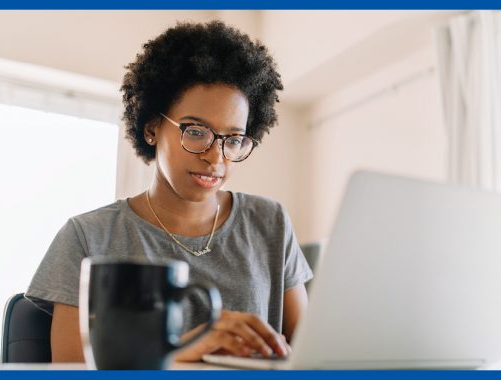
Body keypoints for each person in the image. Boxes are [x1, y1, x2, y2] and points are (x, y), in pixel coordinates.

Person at [25, 20, 313, 363]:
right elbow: (70, 371)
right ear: (151, 128)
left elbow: (311, 357)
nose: (215, 157)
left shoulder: (271, 223)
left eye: (233, 139)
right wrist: (180, 352)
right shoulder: (87, 237)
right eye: (195, 132)